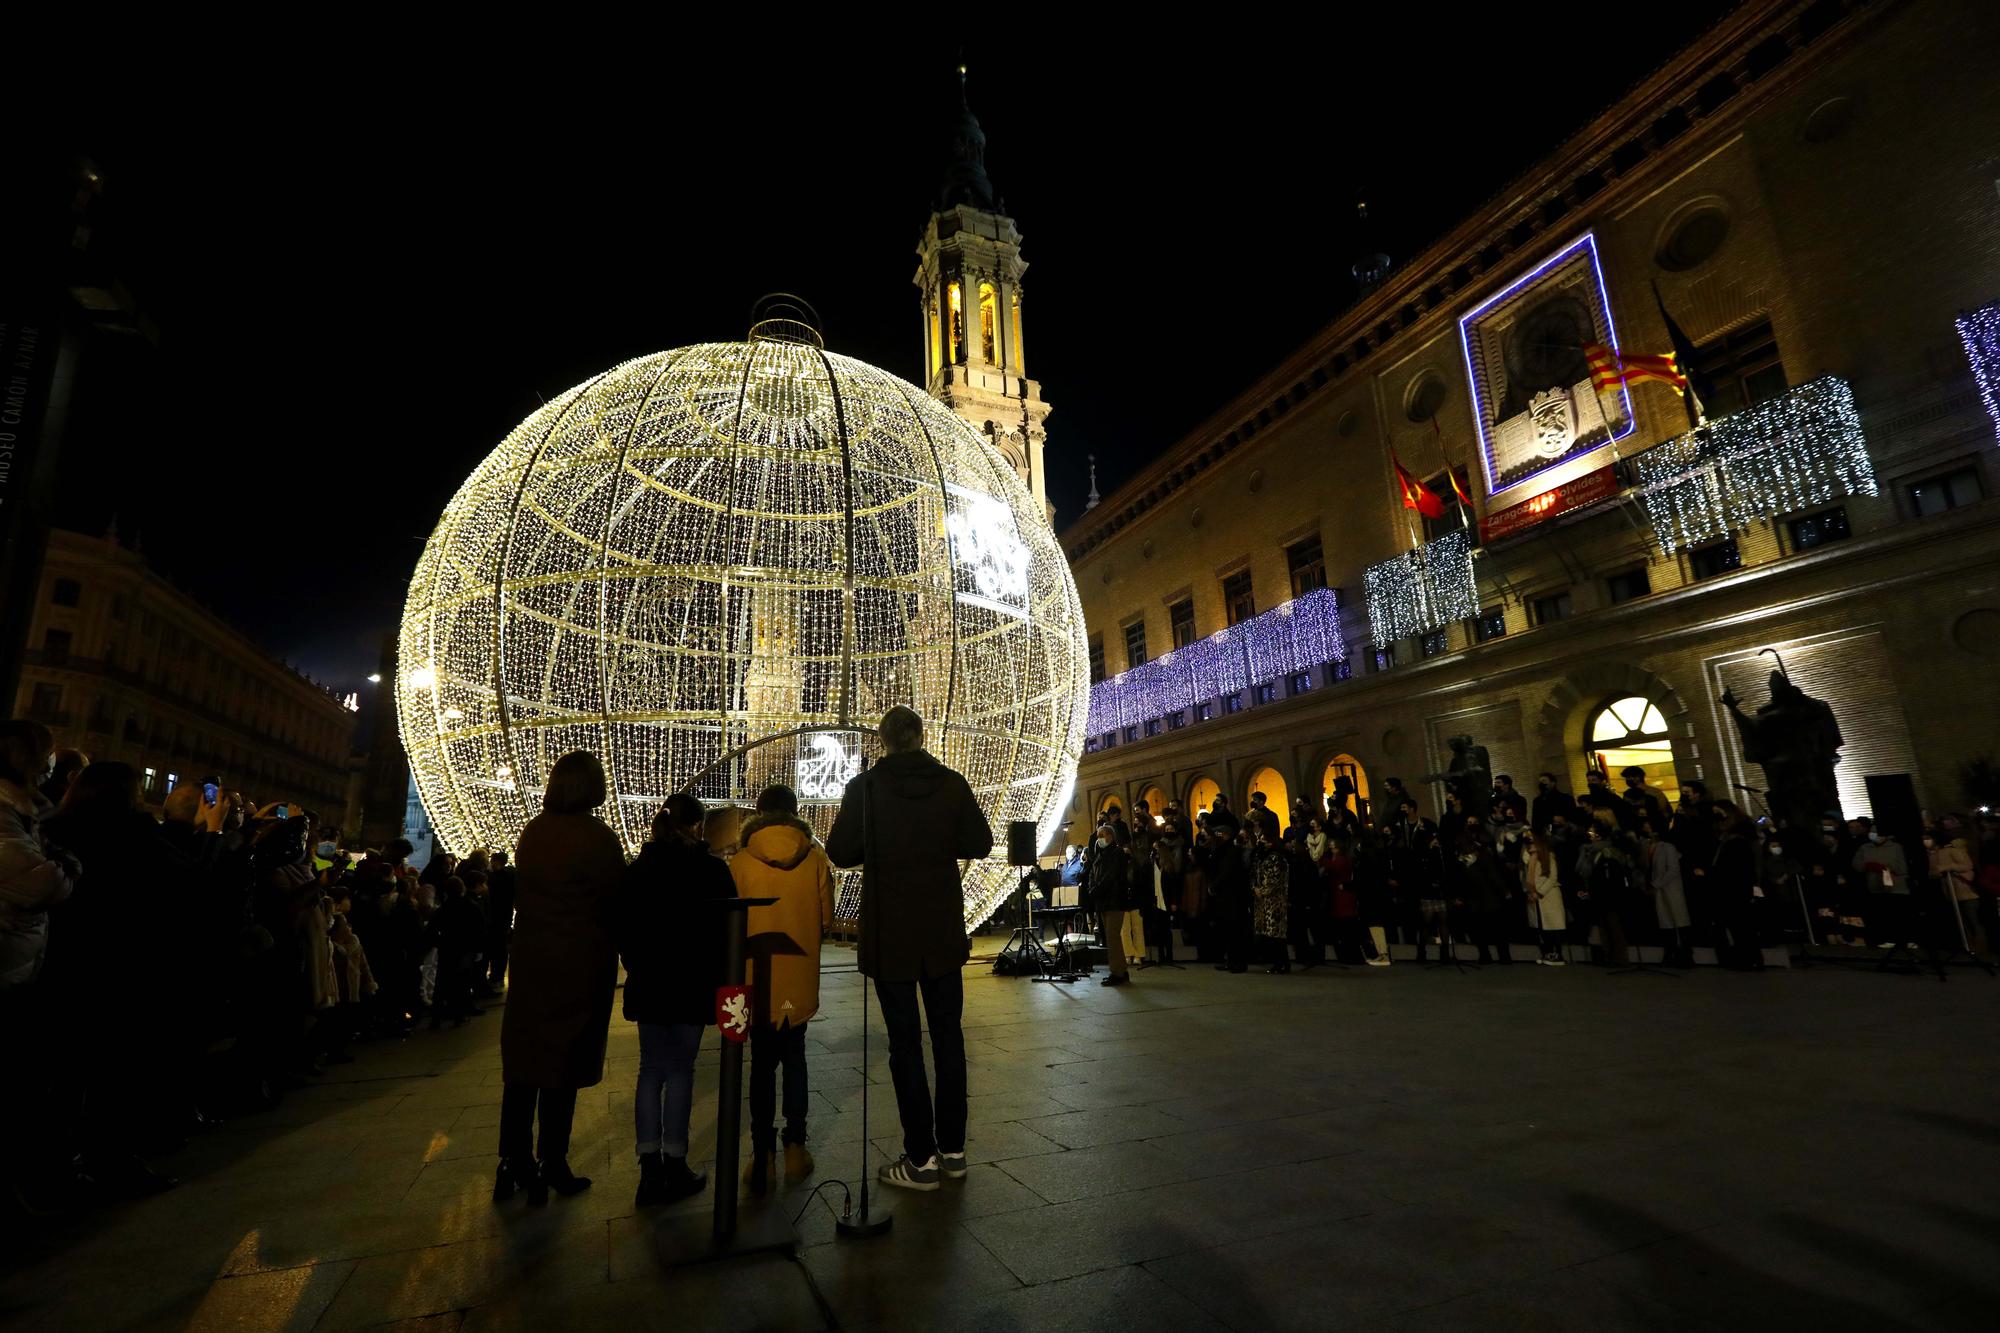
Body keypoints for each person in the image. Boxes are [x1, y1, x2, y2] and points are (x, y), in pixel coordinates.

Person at [826, 706, 991, 1192]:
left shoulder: (866, 788)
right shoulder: (952, 784)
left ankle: (920, 1158)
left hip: (890, 937)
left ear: (884, 742)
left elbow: (840, 851)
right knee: (949, 1040)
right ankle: (954, 1150)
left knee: (905, 1047)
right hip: (941, 934)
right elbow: (979, 842)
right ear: (921, 737)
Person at [496, 751, 623, 1206]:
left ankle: (512, 1161)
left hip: (532, 963)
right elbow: (616, 904)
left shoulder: (534, 831)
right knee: (562, 1068)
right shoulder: (598, 838)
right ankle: (553, 1161)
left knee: (524, 1067)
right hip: (578, 965)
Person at [619, 794, 736, 1208]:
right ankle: (676, 1161)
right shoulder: (711, 870)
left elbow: (624, 929)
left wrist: (637, 965)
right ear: (698, 826)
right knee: (681, 1070)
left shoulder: (639, 870)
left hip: (650, 982)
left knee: (649, 1070)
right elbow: (729, 931)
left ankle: (649, 1168)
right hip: (692, 984)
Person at [733, 784, 835, 1196]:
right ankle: (795, 1146)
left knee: (760, 1065)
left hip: (757, 978)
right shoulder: (814, 857)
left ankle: (763, 1156)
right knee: (795, 1060)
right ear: (795, 814)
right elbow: (825, 917)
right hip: (796, 980)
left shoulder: (738, 862)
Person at [1085, 822, 1133, 986]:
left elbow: (1110, 876)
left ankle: (1117, 973)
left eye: (1102, 836)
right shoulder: (1100, 854)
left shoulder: (1117, 853)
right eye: (1098, 836)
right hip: (1103, 902)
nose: (1099, 839)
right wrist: (1092, 888)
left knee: (1112, 937)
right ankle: (1121, 970)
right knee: (1112, 938)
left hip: (1114, 900)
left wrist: (1096, 890)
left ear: (1111, 837)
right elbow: (1093, 873)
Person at [1640, 820, 1693, 967]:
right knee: (1667, 921)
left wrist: (1655, 883)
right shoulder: (1648, 846)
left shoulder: (1667, 847)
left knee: (1676, 920)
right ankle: (1672, 952)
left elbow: (1673, 870)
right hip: (1661, 888)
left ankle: (1683, 954)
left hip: (1669, 888)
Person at [1249, 820, 1291, 972]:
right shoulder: (1260, 857)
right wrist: (1255, 888)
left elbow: (1277, 879)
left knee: (1276, 934)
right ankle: (1276, 962)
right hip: (1261, 900)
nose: (1261, 842)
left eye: (1264, 841)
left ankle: (1282, 963)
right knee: (1267, 934)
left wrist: (1264, 890)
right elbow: (1253, 875)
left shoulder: (1277, 858)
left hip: (1275, 900)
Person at [1523, 829, 1566, 964]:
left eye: (1531, 837)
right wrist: (1530, 892)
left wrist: (1539, 892)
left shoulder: (1548, 856)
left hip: (1548, 895)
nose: (1529, 840)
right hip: (1534, 895)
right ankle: (1547, 952)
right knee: (1541, 926)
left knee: (1553, 926)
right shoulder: (1529, 857)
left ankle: (1557, 954)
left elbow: (1552, 877)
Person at [484, 849, 516, 992]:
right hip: (504, 917)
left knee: (495, 948)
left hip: (495, 917)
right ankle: (497, 977)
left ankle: (495, 977)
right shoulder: (512, 876)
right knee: (500, 949)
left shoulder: (495, 877)